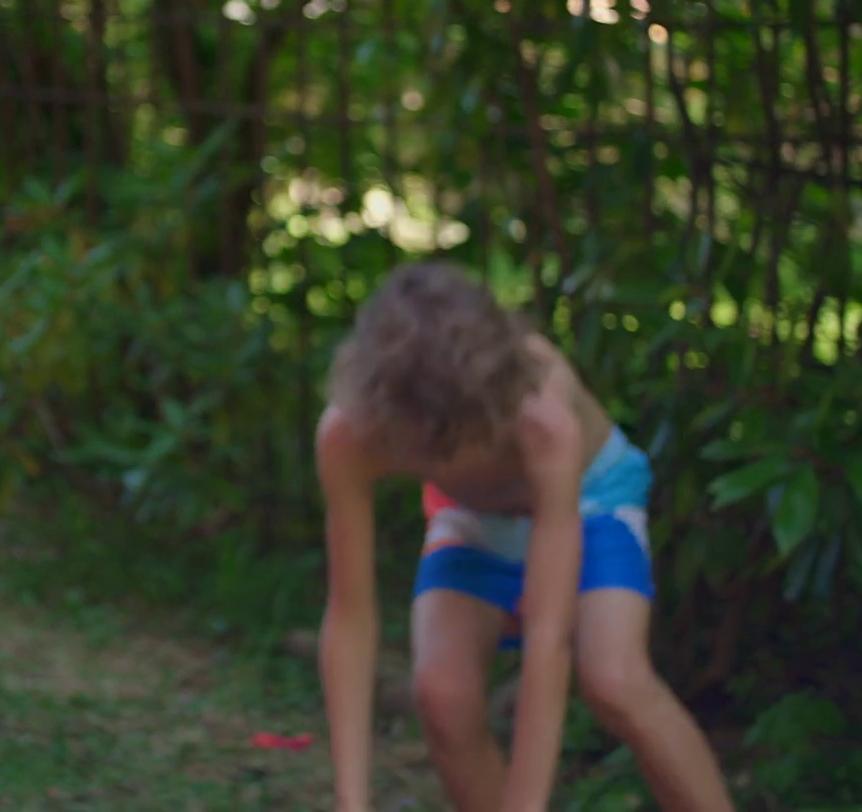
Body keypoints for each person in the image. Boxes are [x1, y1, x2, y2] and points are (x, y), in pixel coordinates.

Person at [315, 262, 735, 812]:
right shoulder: (349, 433)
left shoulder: (542, 416)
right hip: (470, 519)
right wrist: (350, 803)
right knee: (442, 693)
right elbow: (350, 617)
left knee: (614, 678)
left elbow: (547, 636)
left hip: (590, 501)